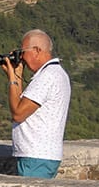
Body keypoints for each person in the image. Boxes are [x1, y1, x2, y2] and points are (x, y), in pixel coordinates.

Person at [4, 28, 71, 178]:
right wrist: (18, 76)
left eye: (23, 52)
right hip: (42, 155)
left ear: (36, 50)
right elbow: (22, 104)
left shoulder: (47, 77)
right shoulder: (56, 73)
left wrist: (12, 79)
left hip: (36, 157)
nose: (21, 57)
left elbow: (18, 113)